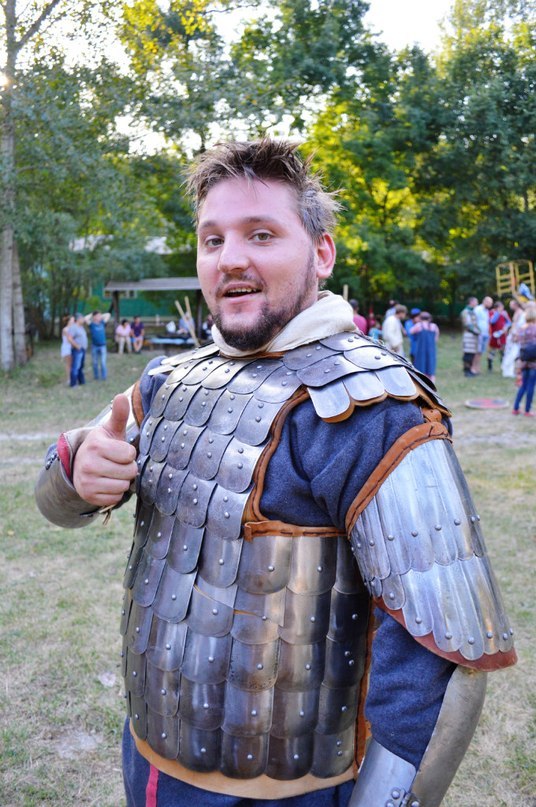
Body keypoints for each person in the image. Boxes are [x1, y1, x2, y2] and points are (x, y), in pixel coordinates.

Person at [35, 139, 516, 807]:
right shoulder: (170, 380)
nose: (230, 257)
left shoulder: (371, 410)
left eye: (260, 234)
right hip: (149, 757)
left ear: (322, 253)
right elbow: (56, 497)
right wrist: (82, 466)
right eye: (213, 239)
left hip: (287, 790)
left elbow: (441, 652)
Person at [512, 304, 536, 416]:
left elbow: (515, 340)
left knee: (523, 385)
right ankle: (527, 410)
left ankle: (515, 408)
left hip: (523, 361)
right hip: (534, 363)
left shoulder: (521, 329)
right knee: (531, 386)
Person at [409, 311, 440, 383]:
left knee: (420, 364)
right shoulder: (434, 326)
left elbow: (411, 332)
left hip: (421, 349)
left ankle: (421, 382)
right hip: (431, 349)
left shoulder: (419, 325)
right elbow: (436, 339)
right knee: (431, 364)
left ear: (420, 318)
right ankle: (431, 382)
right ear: (429, 318)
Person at [501, 298, 525, 378]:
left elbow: (517, 326)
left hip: (515, 335)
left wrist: (514, 335)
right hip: (513, 334)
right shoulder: (517, 312)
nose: (510, 306)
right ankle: (507, 370)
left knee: (513, 353)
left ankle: (509, 370)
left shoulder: (520, 313)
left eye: (511, 304)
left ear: (516, 305)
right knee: (510, 352)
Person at [86, 310, 111, 380]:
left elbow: (108, 314)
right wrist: (92, 314)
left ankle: (104, 377)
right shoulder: (91, 324)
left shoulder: (102, 323)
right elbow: (85, 318)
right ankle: (96, 376)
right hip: (94, 346)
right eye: (98, 316)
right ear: (94, 317)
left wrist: (100, 316)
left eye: (100, 315)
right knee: (95, 363)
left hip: (103, 346)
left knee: (103, 362)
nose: (100, 317)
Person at [471, 296, 493, 375]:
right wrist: (476, 331)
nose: (490, 305)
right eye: (489, 303)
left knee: (481, 352)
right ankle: (473, 367)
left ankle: (477, 367)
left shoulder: (486, 311)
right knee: (477, 351)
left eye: (491, 303)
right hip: (479, 334)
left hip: (485, 334)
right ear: (485, 301)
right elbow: (473, 321)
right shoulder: (478, 309)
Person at [488, 301, 511, 372]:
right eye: (501, 307)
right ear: (497, 307)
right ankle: (490, 366)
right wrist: (497, 313)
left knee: (503, 351)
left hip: (502, 335)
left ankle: (503, 366)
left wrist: (506, 327)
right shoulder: (492, 313)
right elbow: (492, 321)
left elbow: (509, 322)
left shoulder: (504, 313)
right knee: (492, 351)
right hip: (494, 335)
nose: (502, 308)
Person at [66, 313, 88, 387]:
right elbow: (69, 338)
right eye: (82, 318)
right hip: (77, 350)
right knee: (75, 367)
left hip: (82, 349)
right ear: (78, 319)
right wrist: (77, 346)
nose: (83, 320)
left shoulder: (81, 327)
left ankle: (81, 381)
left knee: (81, 366)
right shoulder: (74, 327)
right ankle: (73, 384)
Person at [460, 297, 480, 377]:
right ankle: (466, 370)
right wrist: (476, 331)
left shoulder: (472, 311)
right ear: (471, 302)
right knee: (468, 353)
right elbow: (467, 324)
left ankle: (470, 370)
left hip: (473, 336)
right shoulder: (465, 312)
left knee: (472, 353)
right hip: (468, 335)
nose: (477, 303)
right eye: (476, 302)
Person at [60, 314, 74, 383]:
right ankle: (69, 379)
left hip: (72, 347)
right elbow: (69, 339)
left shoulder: (73, 328)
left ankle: (73, 377)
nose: (73, 321)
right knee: (68, 364)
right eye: (72, 320)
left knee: (73, 363)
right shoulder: (65, 329)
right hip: (67, 348)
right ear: (68, 321)